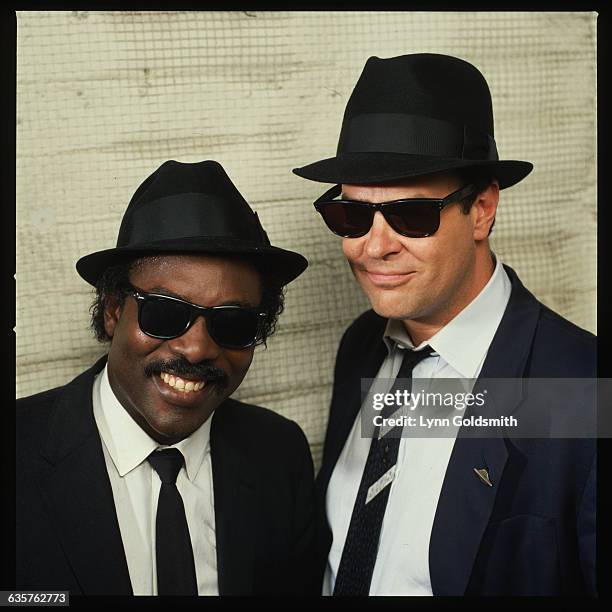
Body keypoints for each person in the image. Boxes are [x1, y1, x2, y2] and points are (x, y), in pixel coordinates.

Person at [293, 53, 596, 596]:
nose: (375, 247)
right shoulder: (363, 346)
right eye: (353, 216)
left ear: (481, 209)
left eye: (412, 215)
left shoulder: (582, 384)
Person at [16, 159, 318, 596]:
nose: (197, 348)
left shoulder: (279, 455)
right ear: (112, 312)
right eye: (166, 313)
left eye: (231, 322)